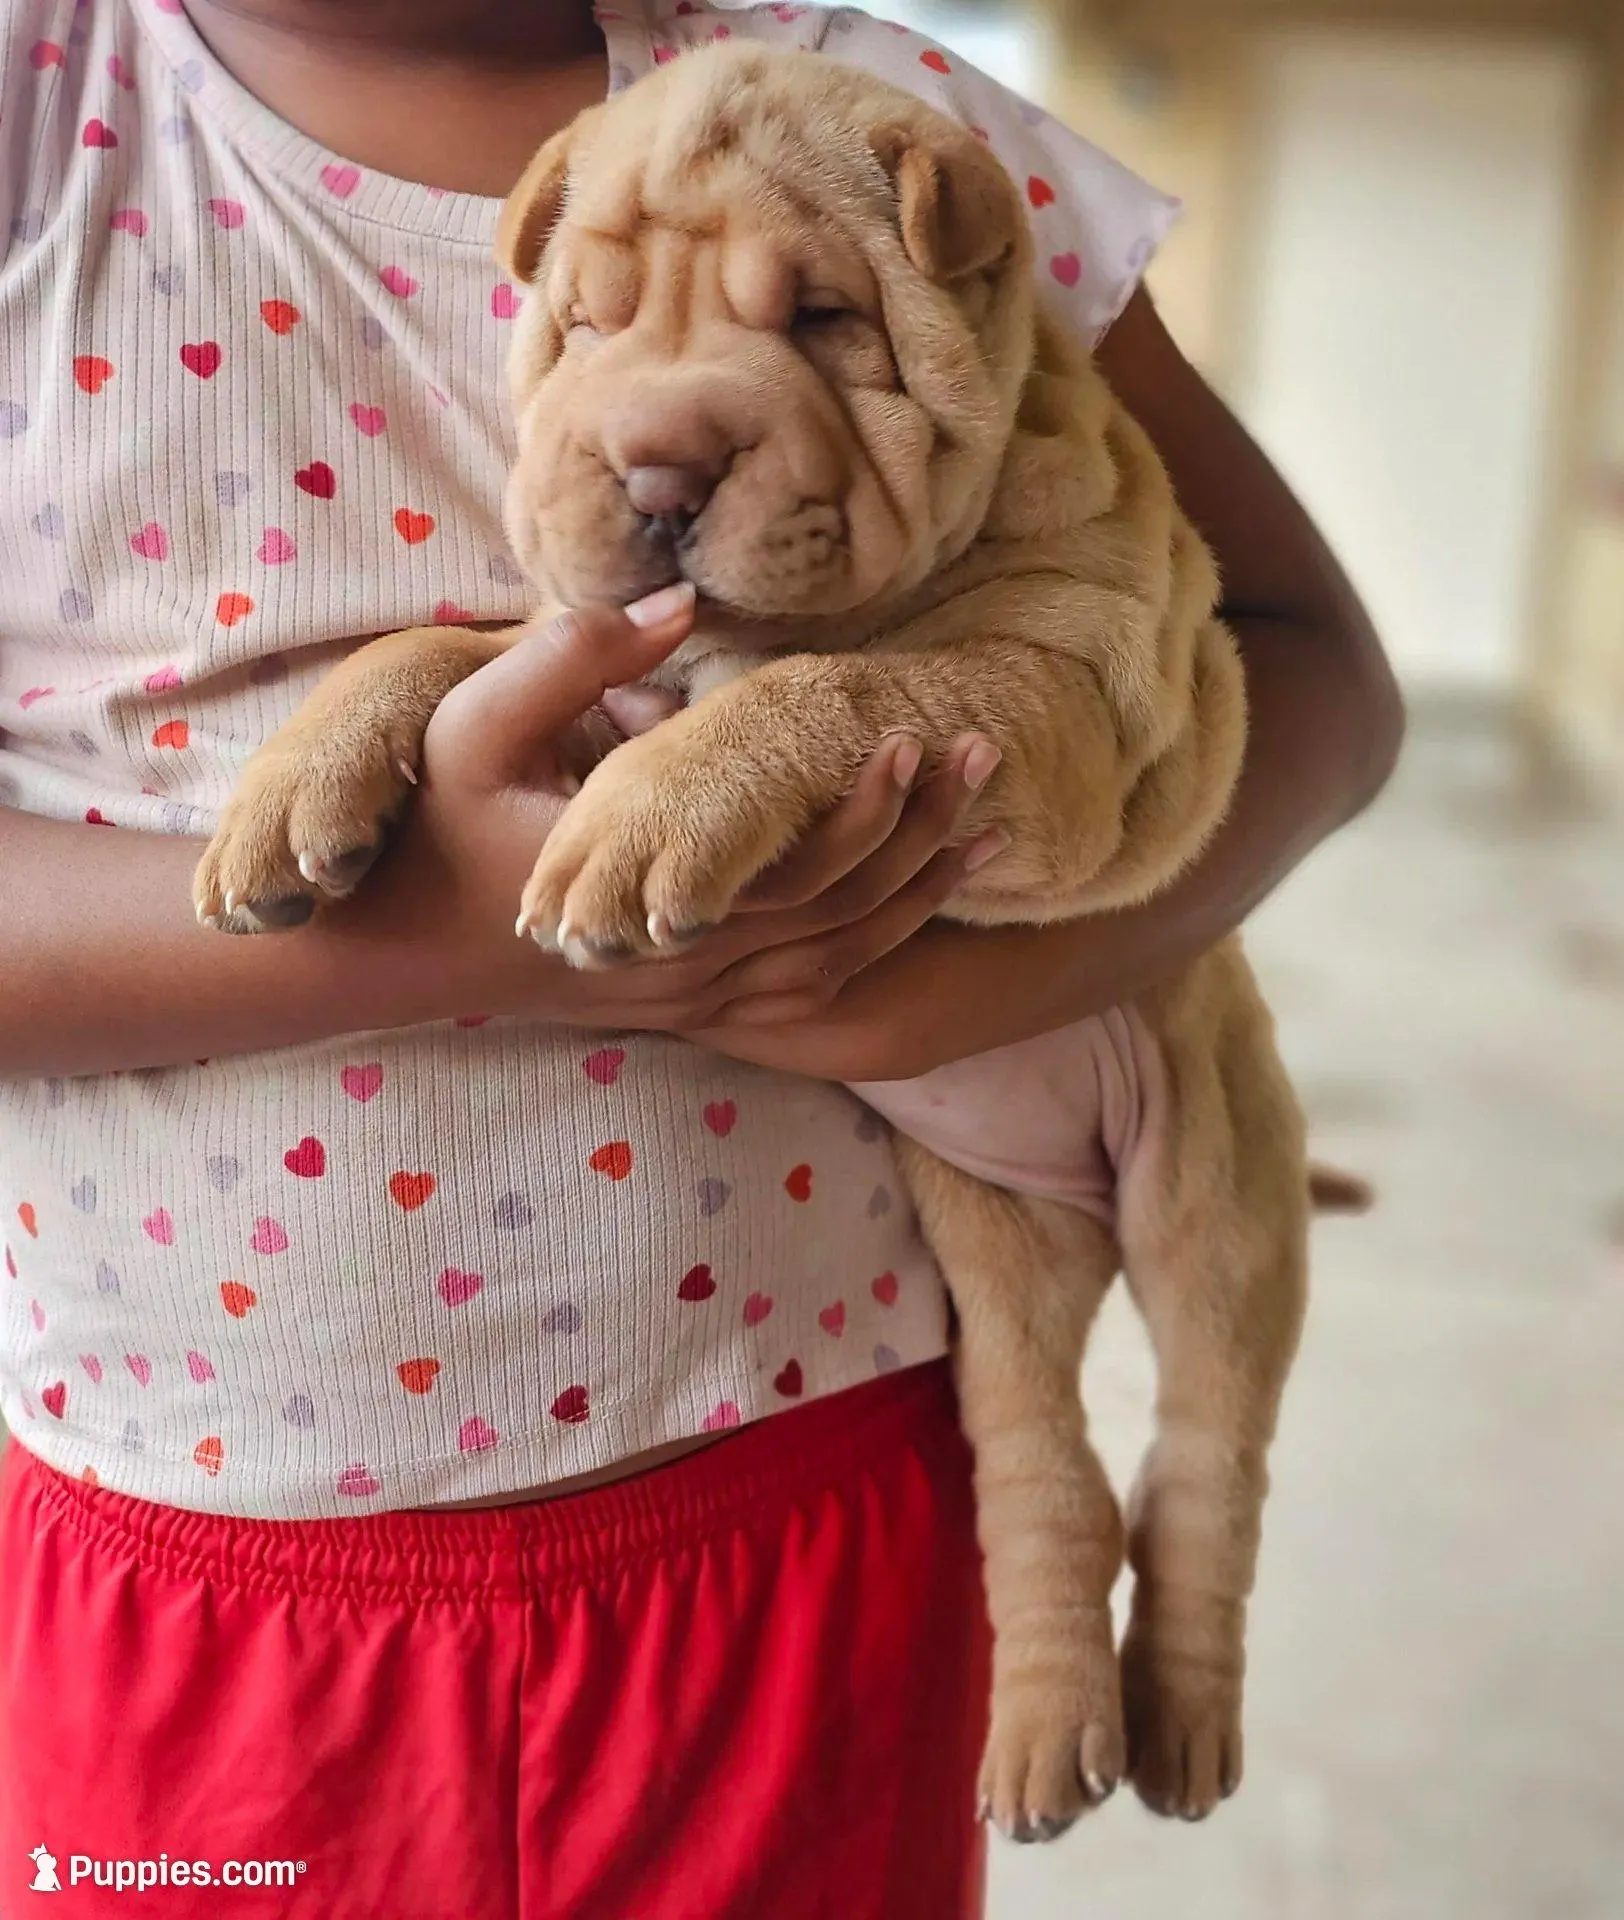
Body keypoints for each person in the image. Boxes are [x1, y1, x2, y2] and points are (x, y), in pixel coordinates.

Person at [0, 1, 1402, 1914]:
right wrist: (442, 944)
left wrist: (986, 975)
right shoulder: (39, 110)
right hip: (193, 1551)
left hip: (806, 1502)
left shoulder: (876, 105)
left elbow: (1314, 668)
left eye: (815, 318)